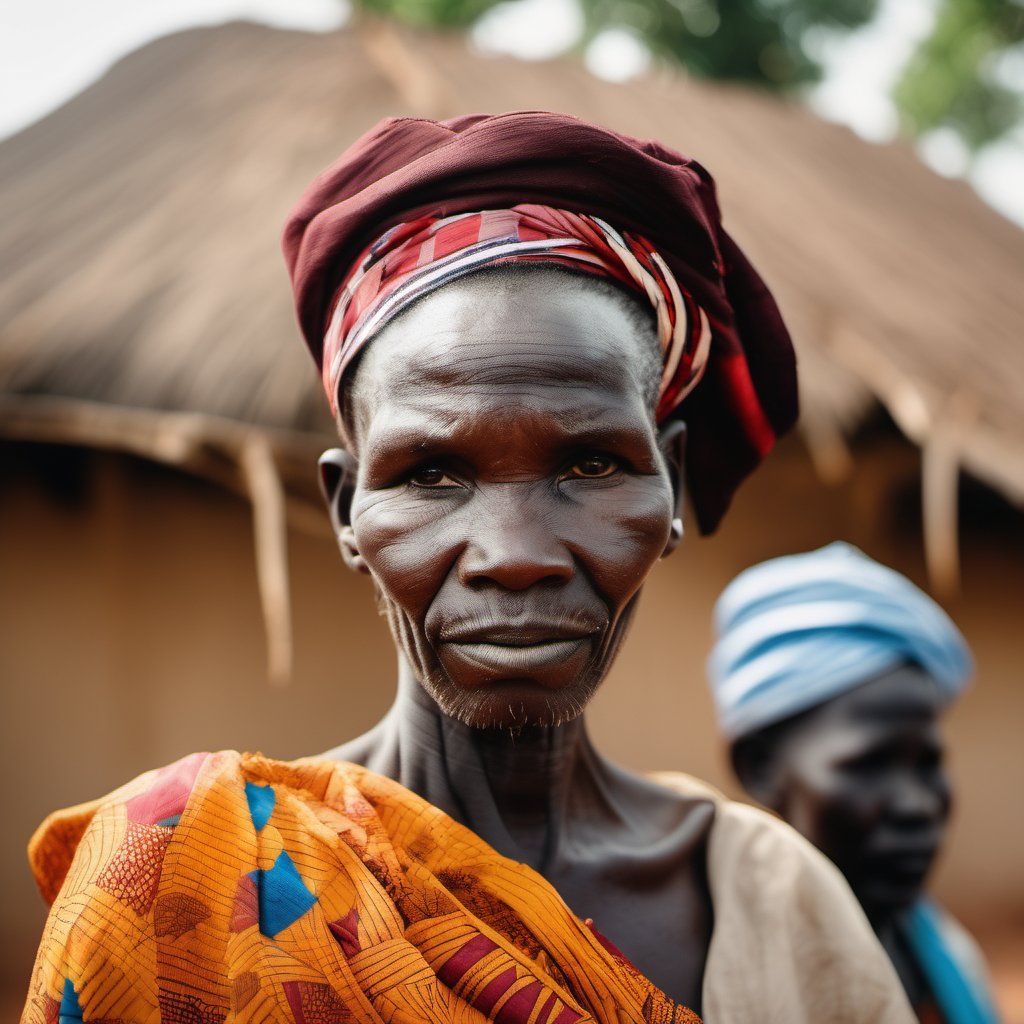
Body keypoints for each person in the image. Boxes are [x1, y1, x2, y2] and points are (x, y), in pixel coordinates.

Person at [23, 113, 913, 1024]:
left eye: (592, 465)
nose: (516, 557)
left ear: (672, 482)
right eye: (432, 475)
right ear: (346, 513)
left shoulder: (779, 903)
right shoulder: (179, 877)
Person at [708, 541, 1001, 1024]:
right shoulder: (726, 983)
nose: (917, 806)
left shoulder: (949, 956)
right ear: (760, 768)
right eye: (869, 764)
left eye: (928, 763)